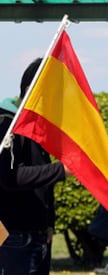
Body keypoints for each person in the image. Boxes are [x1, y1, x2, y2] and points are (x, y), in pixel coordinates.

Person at [0, 58, 72, 275]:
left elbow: (42, 181)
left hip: (37, 235)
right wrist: (62, 170)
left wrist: (48, 223)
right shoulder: (7, 124)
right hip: (14, 238)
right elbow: (9, 177)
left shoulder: (35, 126)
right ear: (31, 89)